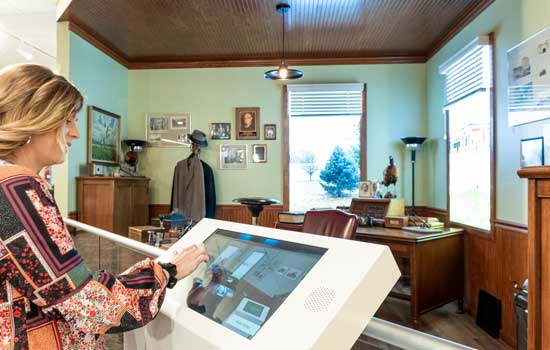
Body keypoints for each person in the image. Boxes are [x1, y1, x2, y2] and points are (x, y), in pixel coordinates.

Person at [0, 64, 209, 349]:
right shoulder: (17, 190)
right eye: (68, 121)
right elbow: (85, 303)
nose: (75, 133)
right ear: (36, 118)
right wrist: (166, 272)